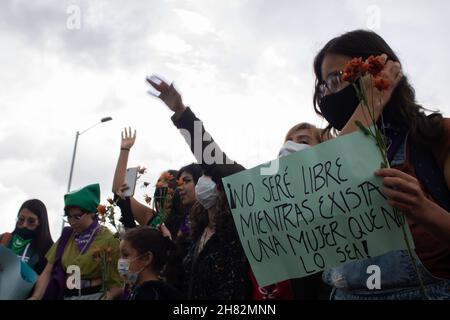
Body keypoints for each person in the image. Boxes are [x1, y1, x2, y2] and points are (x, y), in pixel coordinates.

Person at [313, 29, 450, 299]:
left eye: (336, 78)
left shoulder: (437, 135)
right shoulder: (332, 149)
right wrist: (369, 106)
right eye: (322, 85)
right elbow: (327, 178)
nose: (328, 92)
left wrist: (425, 210)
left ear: (380, 71)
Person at [29, 184, 123, 300]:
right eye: (68, 217)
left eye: (77, 217)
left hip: (94, 296)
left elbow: (117, 285)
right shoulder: (66, 236)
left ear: (93, 212)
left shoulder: (110, 239)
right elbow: (47, 272)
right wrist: (36, 296)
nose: (72, 222)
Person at [112, 127, 182, 233]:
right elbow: (119, 192)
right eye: (159, 182)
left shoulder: (189, 220)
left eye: (166, 182)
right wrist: (124, 150)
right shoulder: (151, 217)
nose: (160, 185)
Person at [118, 226, 181, 300]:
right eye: (120, 256)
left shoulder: (150, 295)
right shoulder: (145, 291)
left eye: (125, 255)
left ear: (147, 258)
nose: (120, 261)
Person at [0, 199, 53, 275]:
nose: (24, 224)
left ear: (40, 223)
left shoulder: (48, 248)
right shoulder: (4, 238)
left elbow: (45, 280)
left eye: (31, 221)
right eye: (21, 219)